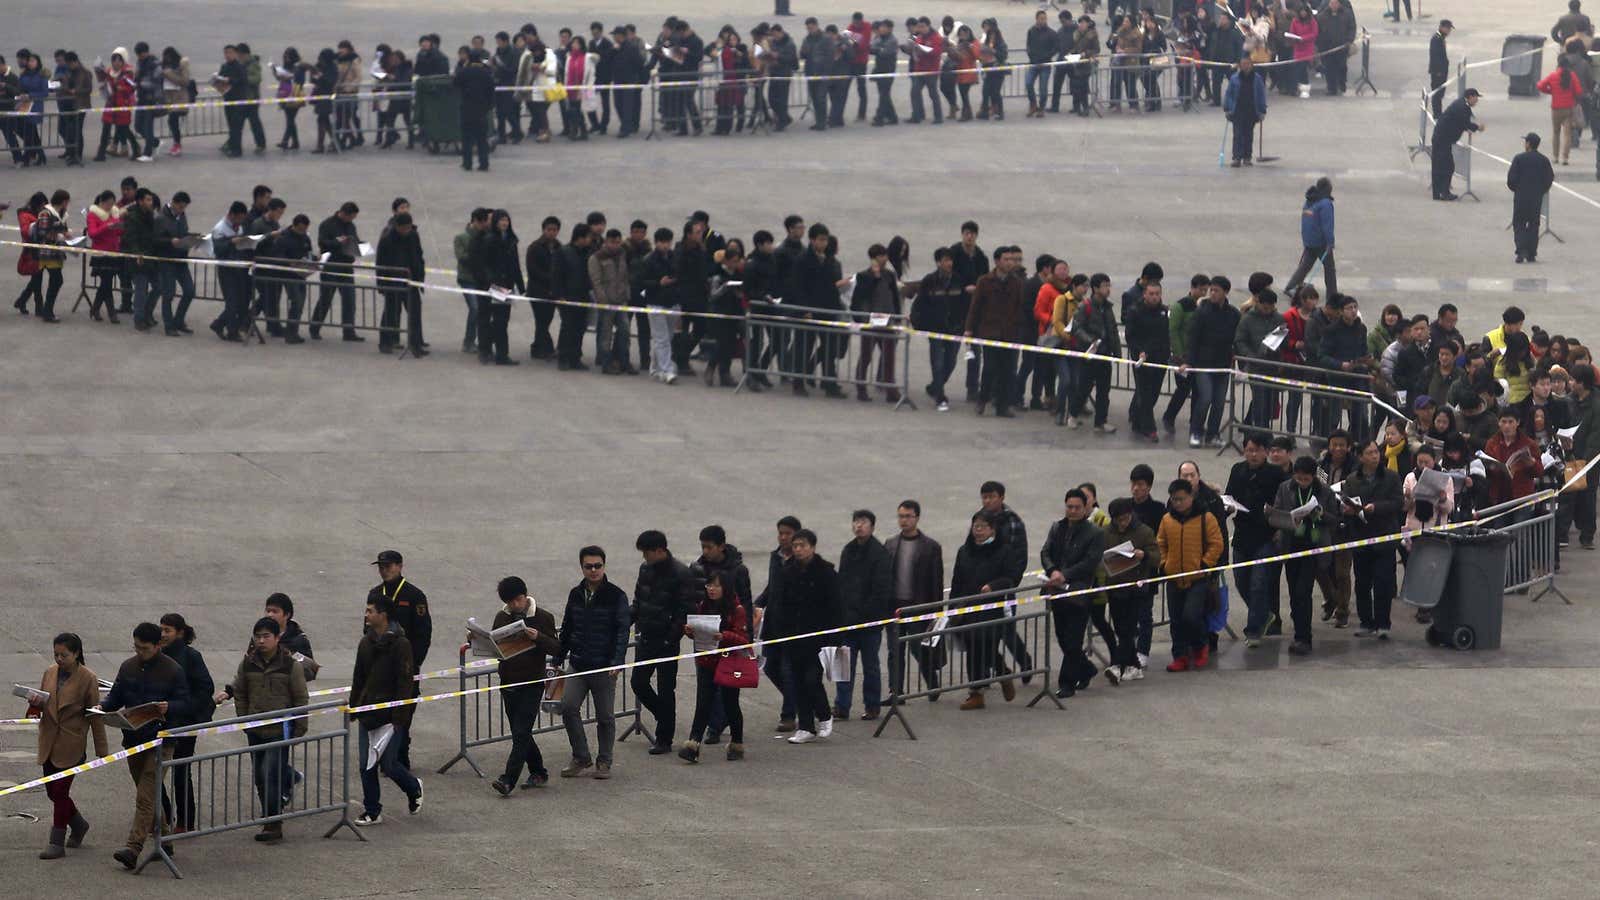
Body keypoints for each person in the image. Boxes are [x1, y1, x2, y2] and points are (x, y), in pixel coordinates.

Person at [100, 622, 189, 869]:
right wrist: (101, 707)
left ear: (158, 646)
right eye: (136, 647)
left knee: (145, 795)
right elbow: (115, 696)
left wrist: (170, 707)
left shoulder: (173, 670)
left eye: (145, 648)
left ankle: (133, 847)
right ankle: (166, 837)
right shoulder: (128, 666)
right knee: (148, 793)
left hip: (161, 742)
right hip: (133, 740)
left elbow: (185, 703)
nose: (140, 652)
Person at [222, 617, 308, 843]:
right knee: (260, 775)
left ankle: (273, 823)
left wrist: (299, 728)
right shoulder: (248, 663)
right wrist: (244, 718)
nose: (261, 641)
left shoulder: (291, 665)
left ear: (277, 638)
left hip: (279, 730)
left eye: (266, 636)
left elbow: (300, 698)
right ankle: (270, 812)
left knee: (270, 773)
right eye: (257, 636)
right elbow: (240, 691)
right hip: (255, 730)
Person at [32, 632, 108, 860]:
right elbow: (44, 701)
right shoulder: (49, 672)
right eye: (56, 654)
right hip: (49, 741)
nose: (59, 659)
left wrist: (101, 751)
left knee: (60, 791)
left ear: (76, 654)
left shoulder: (88, 678)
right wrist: (34, 702)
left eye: (63, 655)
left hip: (71, 744)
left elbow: (95, 716)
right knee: (52, 793)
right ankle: (79, 823)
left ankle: (56, 842)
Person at [558, 547, 631, 779]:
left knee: (605, 717)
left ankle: (604, 761)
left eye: (597, 565)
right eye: (588, 566)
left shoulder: (616, 595)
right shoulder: (575, 594)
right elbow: (567, 627)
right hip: (578, 663)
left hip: (604, 667)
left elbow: (622, 631)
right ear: (581, 567)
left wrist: (617, 662)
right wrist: (558, 658)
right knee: (568, 707)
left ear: (604, 566)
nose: (593, 570)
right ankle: (581, 756)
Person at [482, 576, 560, 796]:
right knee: (520, 733)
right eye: (511, 602)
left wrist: (539, 638)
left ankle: (508, 780)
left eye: (518, 600)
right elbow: (494, 645)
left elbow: (557, 648)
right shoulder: (502, 616)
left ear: (525, 596)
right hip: (508, 682)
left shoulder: (543, 617)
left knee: (521, 730)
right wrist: (476, 641)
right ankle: (538, 771)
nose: (516, 605)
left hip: (532, 683)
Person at [351, 595, 422, 826]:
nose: (367, 615)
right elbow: (358, 677)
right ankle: (372, 809)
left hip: (391, 715)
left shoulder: (401, 644)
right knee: (366, 764)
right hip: (368, 713)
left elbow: (405, 681)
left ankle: (413, 788)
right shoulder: (366, 642)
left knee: (389, 764)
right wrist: (354, 707)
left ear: (383, 615)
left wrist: (400, 716)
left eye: (371, 610)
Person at [766, 529, 841, 744]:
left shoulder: (826, 573)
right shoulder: (786, 571)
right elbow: (778, 603)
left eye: (802, 545)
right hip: (792, 638)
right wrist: (780, 632)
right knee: (797, 682)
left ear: (812, 547)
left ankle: (825, 715)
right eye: (795, 545)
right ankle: (806, 726)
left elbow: (836, 607)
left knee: (811, 679)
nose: (798, 549)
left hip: (818, 639)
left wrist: (834, 638)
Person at [632, 530, 698, 755]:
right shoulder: (645, 570)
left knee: (666, 687)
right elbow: (639, 600)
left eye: (647, 553)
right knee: (638, 682)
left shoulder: (681, 573)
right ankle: (665, 717)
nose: (644, 558)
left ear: (659, 550)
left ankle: (664, 737)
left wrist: (671, 638)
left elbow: (684, 610)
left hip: (667, 640)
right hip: (647, 636)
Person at [678, 571, 750, 762]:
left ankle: (737, 743)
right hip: (707, 662)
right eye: (709, 585)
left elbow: (744, 640)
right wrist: (691, 632)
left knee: (731, 704)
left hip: (728, 662)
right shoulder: (704, 606)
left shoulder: (737, 610)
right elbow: (700, 634)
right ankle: (693, 744)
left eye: (716, 585)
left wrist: (724, 636)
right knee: (703, 704)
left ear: (725, 587)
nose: (711, 589)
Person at [1040, 489, 1104, 698]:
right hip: (1057, 590)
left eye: (1077, 507)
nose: (1073, 511)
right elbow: (1045, 552)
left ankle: (1066, 683)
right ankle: (1086, 668)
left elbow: (1090, 562)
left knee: (1073, 638)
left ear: (1086, 508)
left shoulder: (1094, 533)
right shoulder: (1057, 527)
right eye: (1069, 507)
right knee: (1062, 637)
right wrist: (1053, 571)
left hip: (1079, 593)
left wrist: (1065, 575)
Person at [1274, 457, 1341, 655]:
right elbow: (1278, 513)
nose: (1301, 481)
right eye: (1299, 477)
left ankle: (1304, 637)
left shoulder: (1325, 492)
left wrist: (1319, 515)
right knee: (1294, 592)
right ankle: (1299, 627)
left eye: (1306, 479)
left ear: (1313, 477)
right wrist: (1289, 518)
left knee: (1304, 591)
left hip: (1314, 546)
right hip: (1292, 545)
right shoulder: (1285, 488)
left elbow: (1334, 520)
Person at [949, 510, 1016, 710]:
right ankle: (977, 692)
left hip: (991, 609)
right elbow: (957, 581)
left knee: (985, 646)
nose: (978, 531)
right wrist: (953, 606)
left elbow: (1010, 578)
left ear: (992, 530)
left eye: (983, 527)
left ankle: (1001, 674)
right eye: (975, 526)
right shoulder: (965, 551)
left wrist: (993, 586)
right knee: (974, 649)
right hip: (968, 609)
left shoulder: (1003, 551)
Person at [1228, 432, 1289, 646]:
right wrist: (1227, 506)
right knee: (1241, 581)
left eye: (1257, 450)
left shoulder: (1276, 475)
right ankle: (1264, 615)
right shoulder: (1237, 470)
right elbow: (1230, 496)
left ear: (1265, 451)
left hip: (1265, 537)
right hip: (1242, 535)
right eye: (1248, 450)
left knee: (1258, 584)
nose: (1252, 455)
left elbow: (1284, 503)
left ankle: (1253, 631)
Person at [156, 614, 214, 840]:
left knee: (181, 771)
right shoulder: (156, 655)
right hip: (160, 723)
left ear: (180, 632)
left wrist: (183, 708)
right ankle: (163, 816)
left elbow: (205, 688)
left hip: (185, 724)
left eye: (168, 630)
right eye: (161, 629)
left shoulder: (191, 657)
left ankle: (185, 820)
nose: (163, 634)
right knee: (153, 773)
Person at [1157, 479, 1224, 671]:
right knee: (1176, 620)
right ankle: (1180, 656)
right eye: (1174, 499)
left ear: (1191, 497)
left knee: (1191, 616)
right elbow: (1160, 543)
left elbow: (1216, 544)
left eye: (1181, 499)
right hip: (1174, 578)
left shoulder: (1206, 518)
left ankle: (1199, 646)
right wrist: (1164, 563)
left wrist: (1204, 564)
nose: (1177, 503)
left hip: (1198, 578)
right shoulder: (1167, 520)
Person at [1343, 440, 1404, 639]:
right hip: (1361, 537)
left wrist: (1375, 508)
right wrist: (1349, 510)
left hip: (1384, 536)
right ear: (1360, 457)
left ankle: (1383, 623)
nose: (1375, 456)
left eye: (1376, 452)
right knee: (1362, 583)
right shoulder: (1352, 480)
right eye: (1369, 453)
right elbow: (1347, 501)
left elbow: (1397, 503)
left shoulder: (1391, 477)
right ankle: (1366, 621)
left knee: (1383, 582)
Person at [835, 510, 892, 719]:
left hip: (870, 623)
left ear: (872, 526)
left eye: (864, 522)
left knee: (871, 666)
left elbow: (881, 590)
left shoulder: (879, 554)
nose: (859, 526)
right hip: (847, 622)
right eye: (856, 522)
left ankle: (872, 705)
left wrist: (863, 614)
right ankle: (842, 705)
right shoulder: (848, 550)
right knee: (843, 665)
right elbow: (842, 583)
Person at [1098, 498, 1160, 685]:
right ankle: (1134, 666)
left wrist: (1144, 555)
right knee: (1121, 628)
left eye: (1125, 518)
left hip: (1137, 588)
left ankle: (1117, 665)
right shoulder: (1106, 533)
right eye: (1119, 519)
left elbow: (1157, 557)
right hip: (1115, 588)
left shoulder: (1144, 532)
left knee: (1129, 628)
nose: (1122, 523)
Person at [1187, 275, 1240, 447]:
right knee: (1205, 398)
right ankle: (1195, 431)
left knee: (1218, 401)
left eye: (1216, 290)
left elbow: (1236, 339)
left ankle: (1212, 433)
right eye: (1211, 290)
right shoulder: (1202, 312)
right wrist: (1189, 361)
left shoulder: (1233, 314)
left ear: (1225, 292)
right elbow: (1193, 338)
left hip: (1223, 365)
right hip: (1204, 363)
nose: (1212, 294)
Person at [1124, 278, 1170, 442]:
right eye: (1151, 294)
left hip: (1160, 358)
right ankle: (1149, 428)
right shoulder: (1134, 311)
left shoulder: (1164, 312)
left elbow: (1165, 336)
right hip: (1141, 359)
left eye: (1157, 294)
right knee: (1144, 392)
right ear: (1145, 294)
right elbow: (1130, 336)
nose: (1154, 297)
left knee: (1154, 393)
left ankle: (1137, 419)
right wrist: (1140, 351)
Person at [311, 202, 362, 341]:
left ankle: (349, 331)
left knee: (349, 300)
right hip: (331, 266)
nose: (352, 221)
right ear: (344, 213)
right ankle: (314, 328)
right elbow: (322, 243)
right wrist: (338, 242)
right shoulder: (327, 224)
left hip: (346, 267)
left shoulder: (350, 226)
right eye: (351, 217)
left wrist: (359, 245)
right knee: (325, 299)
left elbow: (355, 239)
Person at [1284, 177, 1337, 298]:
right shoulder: (1326, 204)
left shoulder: (1310, 200)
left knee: (1305, 265)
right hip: (1321, 242)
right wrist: (1330, 243)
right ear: (1327, 189)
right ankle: (1332, 295)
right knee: (1330, 269)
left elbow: (1306, 221)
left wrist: (1306, 240)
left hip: (1309, 241)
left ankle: (1291, 286)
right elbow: (1327, 225)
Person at [1431, 88, 1483, 201]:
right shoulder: (1463, 107)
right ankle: (1443, 193)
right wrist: (1478, 127)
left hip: (1442, 138)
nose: (1477, 101)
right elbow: (1465, 123)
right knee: (1447, 166)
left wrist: (1468, 127)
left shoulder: (1461, 104)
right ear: (1470, 97)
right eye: (1476, 98)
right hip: (1442, 140)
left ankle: (1439, 192)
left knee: (1440, 165)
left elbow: (1461, 123)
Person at [1537, 59, 1585, 167]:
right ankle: (1565, 157)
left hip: (1556, 108)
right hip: (1569, 108)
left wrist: (1550, 91)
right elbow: (1578, 91)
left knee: (1556, 133)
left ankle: (1555, 157)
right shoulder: (1572, 76)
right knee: (1567, 134)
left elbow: (1540, 85)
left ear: (1558, 64)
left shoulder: (1553, 76)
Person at [454, 49, 495, 170]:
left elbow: (455, 83)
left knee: (467, 138)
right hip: (482, 109)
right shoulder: (485, 72)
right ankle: (484, 163)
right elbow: (491, 90)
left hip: (467, 108)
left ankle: (467, 163)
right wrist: (489, 106)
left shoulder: (464, 72)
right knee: (482, 139)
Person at [1223, 57, 1266, 167]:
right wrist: (1227, 108)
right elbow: (1229, 94)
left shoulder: (1257, 79)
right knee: (1237, 134)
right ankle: (1237, 157)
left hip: (1251, 110)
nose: (1245, 66)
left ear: (1251, 65)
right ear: (1240, 66)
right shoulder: (1234, 78)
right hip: (1237, 110)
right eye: (1243, 64)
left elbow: (1261, 95)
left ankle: (1247, 157)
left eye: (1248, 64)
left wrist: (1262, 110)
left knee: (1248, 134)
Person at [1428, 20, 1452, 119]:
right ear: (1443, 28)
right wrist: (1438, 71)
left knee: (1440, 93)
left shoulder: (1440, 37)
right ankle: (1437, 113)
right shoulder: (1436, 39)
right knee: (1437, 93)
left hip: (1441, 71)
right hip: (1438, 72)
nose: (1449, 31)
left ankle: (1438, 112)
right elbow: (1435, 56)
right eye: (1448, 28)